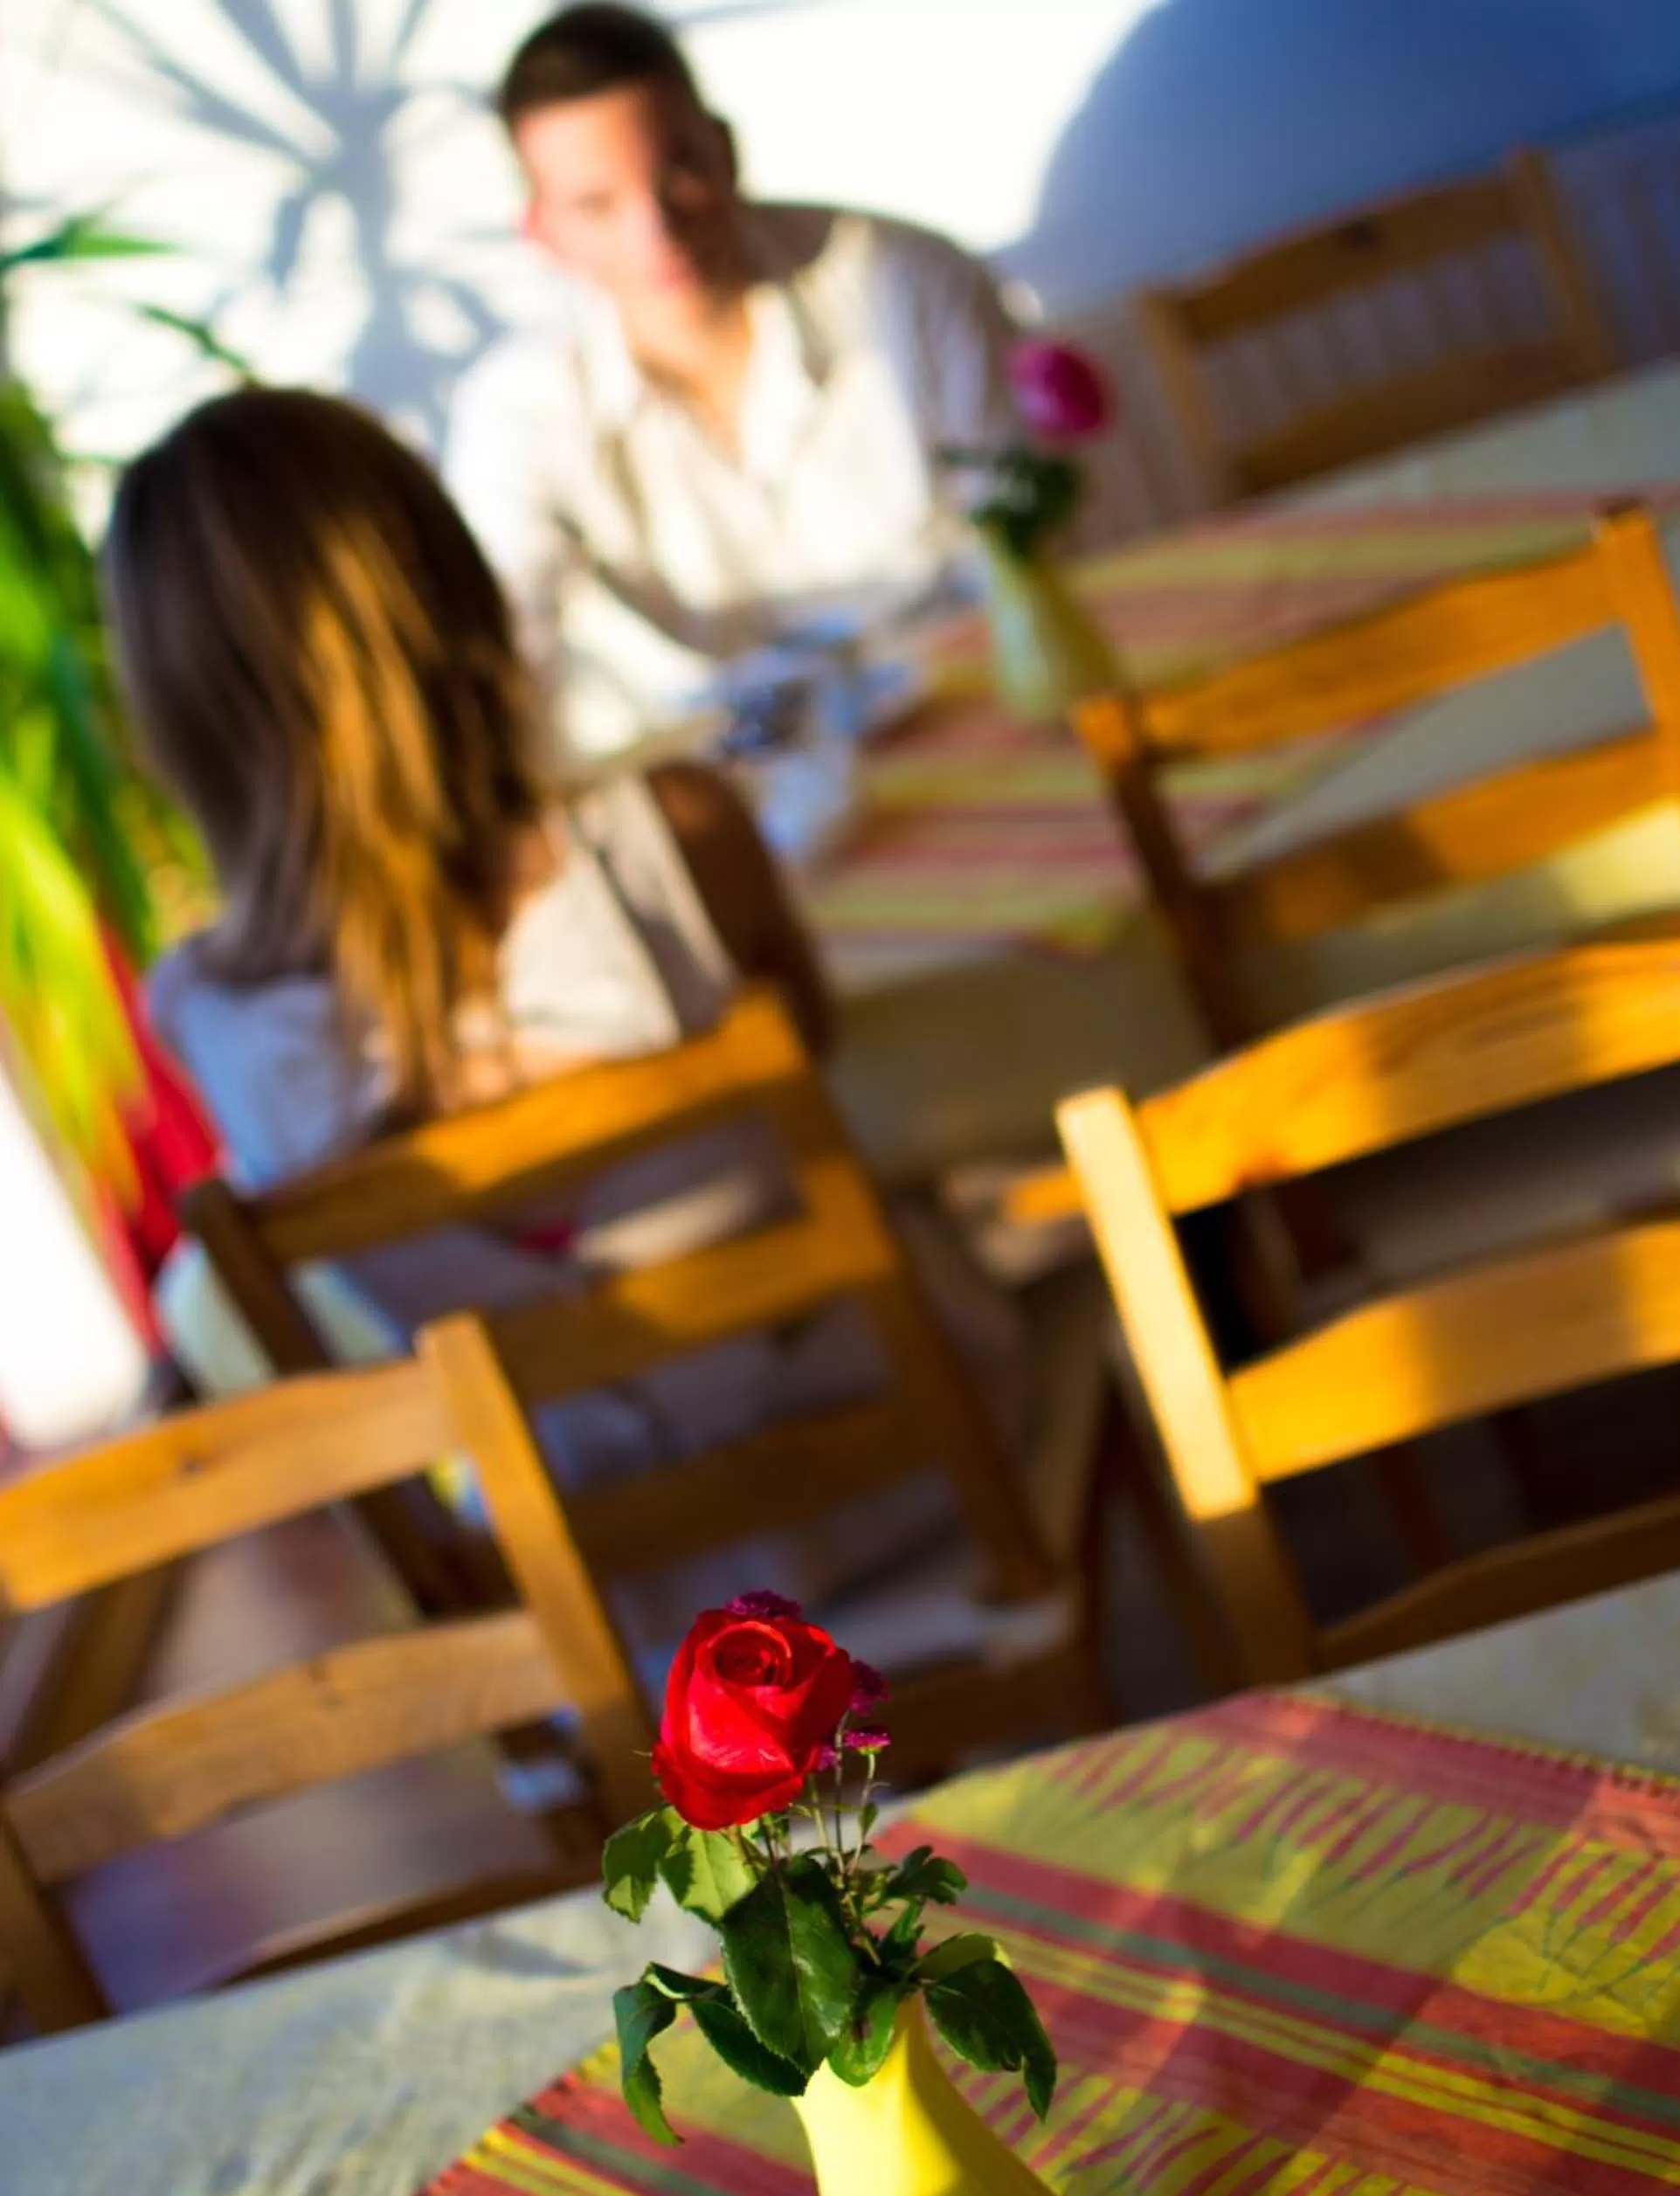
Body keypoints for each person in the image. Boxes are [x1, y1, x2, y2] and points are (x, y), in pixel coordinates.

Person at [105, 386, 1020, 1647]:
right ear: (454, 588)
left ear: (179, 715)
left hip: (617, 1593)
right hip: (921, 1459)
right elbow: (813, 1053)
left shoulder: (201, 1015)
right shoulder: (678, 835)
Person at [445, 3, 1020, 756]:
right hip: (741, 785)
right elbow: (508, 653)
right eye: (596, 205)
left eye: (677, 172)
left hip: (974, 710)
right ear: (542, 230)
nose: (657, 231)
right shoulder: (518, 409)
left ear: (726, 152)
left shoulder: (908, 282)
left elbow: (1023, 535)